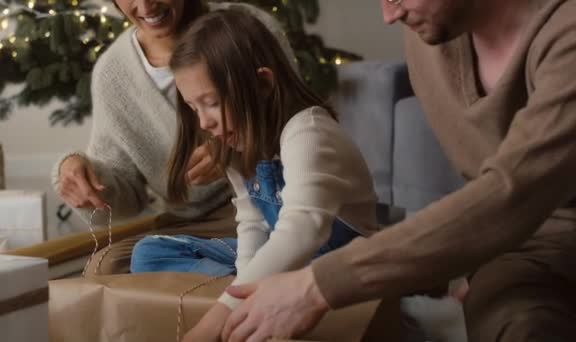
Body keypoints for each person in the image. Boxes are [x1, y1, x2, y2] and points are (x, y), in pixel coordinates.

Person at [221, 0, 576, 341]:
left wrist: (317, 285)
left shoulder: (566, 34)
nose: (389, 15)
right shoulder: (427, 39)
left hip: (535, 230)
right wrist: (465, 256)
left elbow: (511, 195)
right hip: (521, 255)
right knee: (519, 326)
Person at [129, 9, 378, 341]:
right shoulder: (237, 143)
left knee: (277, 261)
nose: (203, 123)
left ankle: (255, 295)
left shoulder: (309, 132)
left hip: (332, 267)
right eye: (193, 107)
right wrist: (240, 288)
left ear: (261, 84)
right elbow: (252, 224)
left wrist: (213, 322)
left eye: (211, 102)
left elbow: (300, 233)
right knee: (149, 253)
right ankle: (254, 294)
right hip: (280, 256)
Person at [50, 0, 297, 274]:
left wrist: (239, 148)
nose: (145, 6)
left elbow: (299, 120)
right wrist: (83, 178)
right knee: (105, 267)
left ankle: (250, 275)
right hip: (190, 224)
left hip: (270, 202)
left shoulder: (248, 27)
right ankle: (242, 275)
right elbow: (127, 191)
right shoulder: (112, 73)